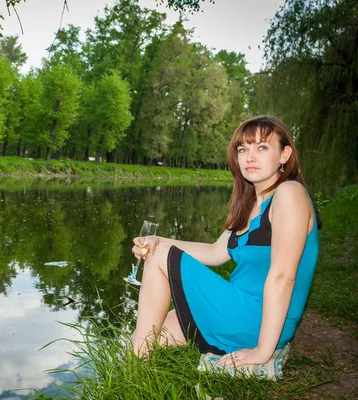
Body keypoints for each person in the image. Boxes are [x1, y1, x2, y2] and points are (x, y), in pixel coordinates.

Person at [131, 115, 321, 368]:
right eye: (243, 149)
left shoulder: (289, 193)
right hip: (238, 306)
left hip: (261, 319)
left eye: (262, 147)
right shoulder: (250, 203)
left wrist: (262, 351)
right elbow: (214, 252)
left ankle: (134, 364)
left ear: (284, 155)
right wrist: (157, 240)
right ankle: (138, 362)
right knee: (159, 328)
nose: (250, 157)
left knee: (159, 259)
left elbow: (283, 277)